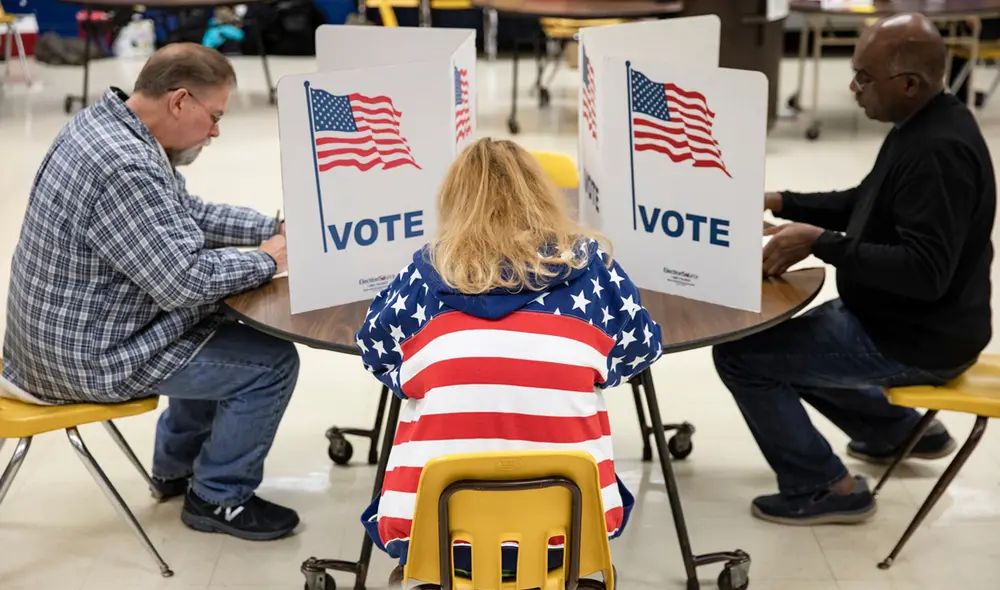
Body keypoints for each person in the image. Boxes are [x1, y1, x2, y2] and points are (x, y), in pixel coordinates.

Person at [1, 43, 301, 541]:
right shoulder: (125, 166)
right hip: (82, 359)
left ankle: (175, 469)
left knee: (217, 326)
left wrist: (273, 227)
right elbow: (182, 281)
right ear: (180, 101)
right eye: (214, 116)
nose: (216, 132)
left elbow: (187, 216)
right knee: (270, 365)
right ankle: (218, 498)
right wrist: (270, 259)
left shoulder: (109, 127)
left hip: (52, 342)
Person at [713, 13, 995, 526]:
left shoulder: (938, 153)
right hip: (903, 319)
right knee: (781, 341)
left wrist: (824, 244)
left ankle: (824, 486)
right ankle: (898, 431)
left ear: (909, 84)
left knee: (742, 356)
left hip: (918, 340)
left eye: (864, 77)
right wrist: (783, 201)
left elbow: (924, 271)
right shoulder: (924, 122)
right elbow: (869, 201)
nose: (852, 87)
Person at [354, 138, 663, 581]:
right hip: (570, 539)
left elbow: (375, 351)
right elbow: (641, 349)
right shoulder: (596, 271)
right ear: (541, 196)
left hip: (439, 542)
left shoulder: (422, 278)